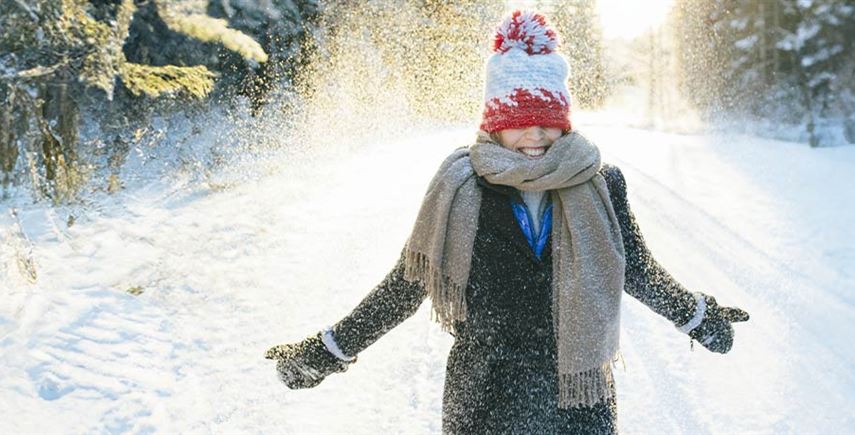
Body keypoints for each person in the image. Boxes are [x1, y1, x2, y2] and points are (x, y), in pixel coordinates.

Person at [261, 10, 750, 434]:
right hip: (485, 399)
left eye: (549, 119)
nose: (536, 134)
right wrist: (326, 351)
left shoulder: (600, 184)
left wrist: (700, 316)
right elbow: (408, 285)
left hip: (577, 402)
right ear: (495, 121)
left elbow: (636, 269)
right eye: (520, 119)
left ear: (566, 120)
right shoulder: (461, 188)